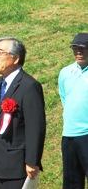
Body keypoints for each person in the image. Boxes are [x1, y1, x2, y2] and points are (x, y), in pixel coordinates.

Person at [0, 37, 46, 189]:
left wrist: (32, 161)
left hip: (15, 164)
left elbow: (36, 127)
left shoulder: (29, 86)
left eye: (0, 52)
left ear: (15, 58)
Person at [58, 33, 88, 189]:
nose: (79, 52)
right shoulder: (65, 73)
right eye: (75, 48)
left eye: (83, 48)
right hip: (69, 136)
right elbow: (65, 98)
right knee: (71, 182)